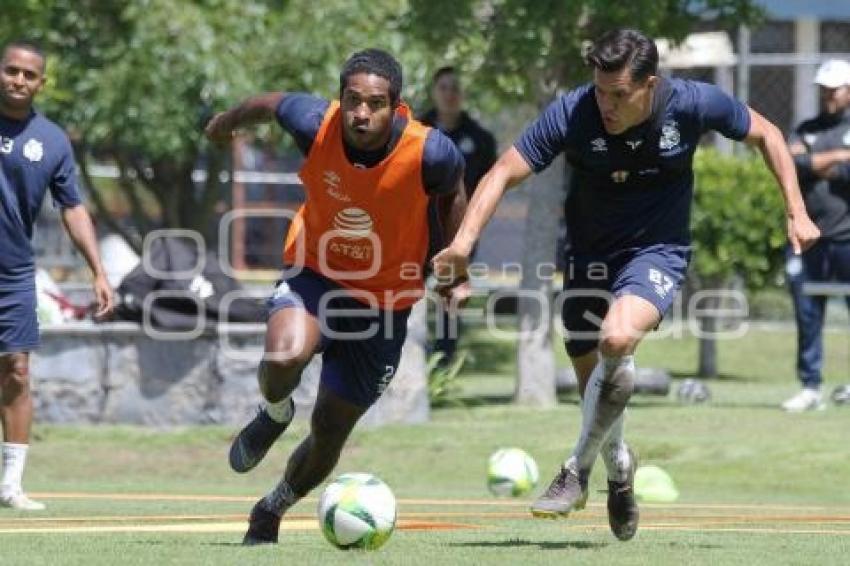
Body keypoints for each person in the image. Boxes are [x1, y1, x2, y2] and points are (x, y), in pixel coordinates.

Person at [432, 28, 820, 541]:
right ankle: (619, 465)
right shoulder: (573, 112)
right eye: (600, 91)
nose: (606, 105)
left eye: (619, 95)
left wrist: (796, 211)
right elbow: (504, 170)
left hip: (657, 251)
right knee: (595, 375)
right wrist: (462, 244)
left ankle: (575, 470)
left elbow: (766, 133)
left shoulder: (691, 103)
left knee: (617, 340)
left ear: (650, 85)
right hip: (588, 257)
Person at [204, 48, 468, 545]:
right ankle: (276, 413)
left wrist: (457, 265)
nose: (361, 114)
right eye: (352, 101)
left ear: (397, 106)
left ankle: (272, 506)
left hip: (387, 301)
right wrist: (226, 121)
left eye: (375, 104)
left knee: (329, 429)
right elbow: (268, 102)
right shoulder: (314, 122)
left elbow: (454, 190)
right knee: (285, 355)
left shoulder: (430, 150)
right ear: (339, 99)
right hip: (317, 274)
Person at [0, 40, 113, 511]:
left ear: (42, 83)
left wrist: (98, 271)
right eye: (11, 71)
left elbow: (73, 208)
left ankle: (10, 486)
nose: (19, 81)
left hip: (13, 274)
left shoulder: (51, 140)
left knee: (17, 372)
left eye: (29, 75)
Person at [782, 59, 850, 412]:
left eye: (834, 89)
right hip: (808, 241)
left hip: (847, 240)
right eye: (823, 89)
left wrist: (815, 163)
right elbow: (794, 165)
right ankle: (810, 386)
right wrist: (837, 158)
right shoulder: (805, 128)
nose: (827, 95)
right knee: (807, 314)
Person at [420, 66, 497, 365]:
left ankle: (442, 361)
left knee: (450, 295)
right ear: (434, 92)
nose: (450, 94)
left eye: (455, 88)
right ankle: (402, 354)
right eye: (444, 87)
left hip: (459, 231)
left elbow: (487, 187)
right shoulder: (416, 130)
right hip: (418, 227)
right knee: (403, 287)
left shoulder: (480, 139)